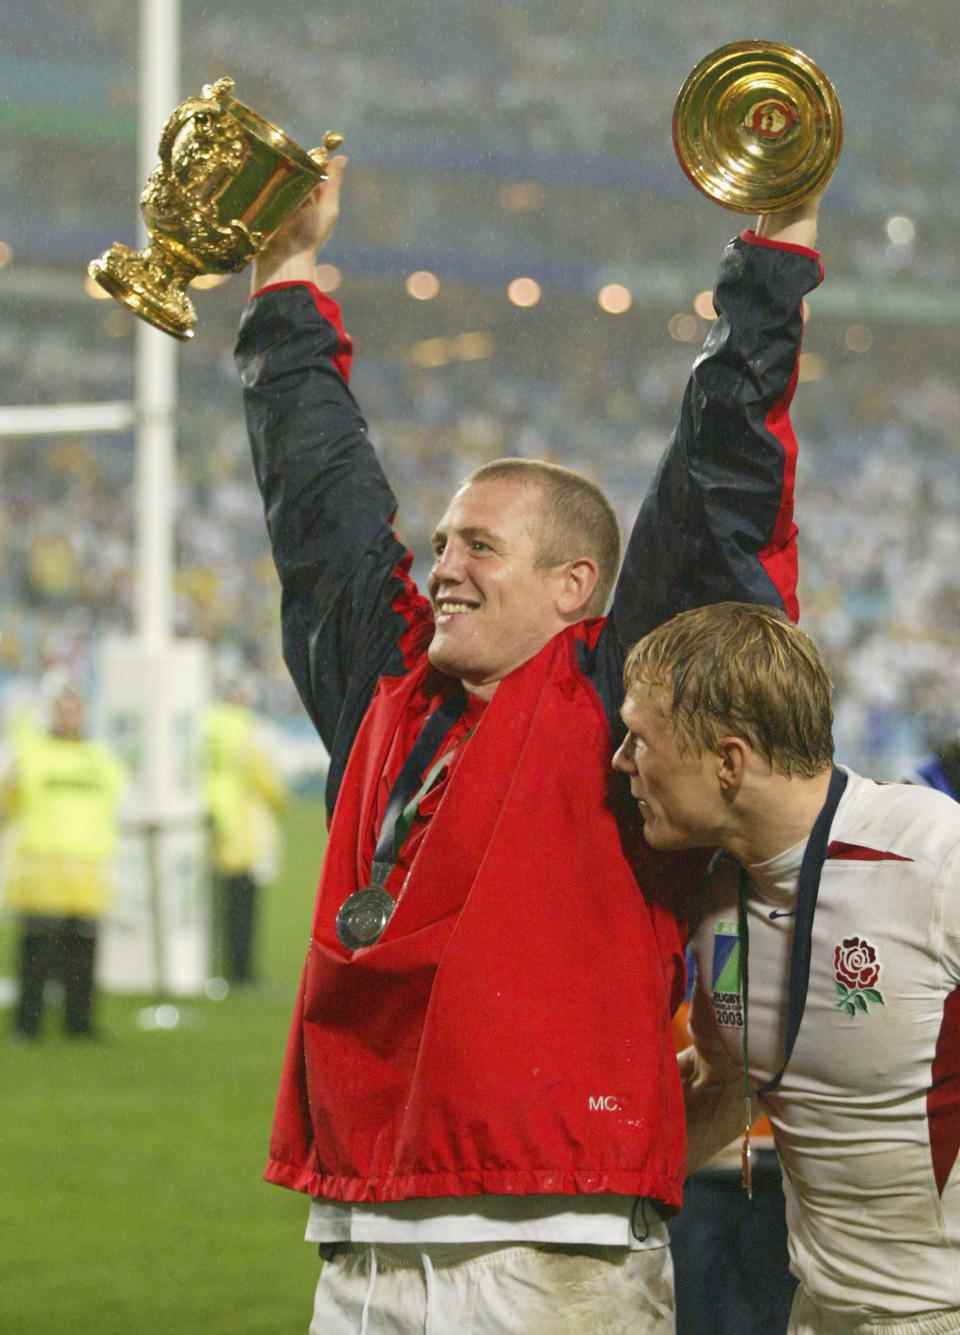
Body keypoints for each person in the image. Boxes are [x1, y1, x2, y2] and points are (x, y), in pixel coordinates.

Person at [234, 147, 826, 1333]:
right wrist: (285, 270)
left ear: (575, 586)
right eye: (443, 543)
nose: (442, 567)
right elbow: (321, 508)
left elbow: (715, 492)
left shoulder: (619, 714)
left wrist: (778, 245)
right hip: (357, 1242)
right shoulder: (389, 699)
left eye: (478, 548)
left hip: (551, 1248)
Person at [614, 601, 960, 1334]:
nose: (621, 760)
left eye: (640, 738)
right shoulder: (717, 899)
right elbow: (724, 1083)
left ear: (730, 761)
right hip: (816, 1311)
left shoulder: (934, 857)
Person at [2, 683, 126, 1040]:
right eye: (63, 709)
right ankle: (28, 1025)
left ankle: (79, 1023)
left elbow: (114, 802)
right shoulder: (30, 753)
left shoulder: (100, 757)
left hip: (87, 868)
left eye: (75, 709)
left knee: (82, 952)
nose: (70, 717)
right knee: (36, 950)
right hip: (42, 866)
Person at [205, 682, 287, 986]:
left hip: (215, 819)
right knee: (244, 904)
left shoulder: (207, 726)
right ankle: (241, 971)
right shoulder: (248, 733)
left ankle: (219, 966)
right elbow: (269, 783)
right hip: (245, 828)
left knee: (220, 904)